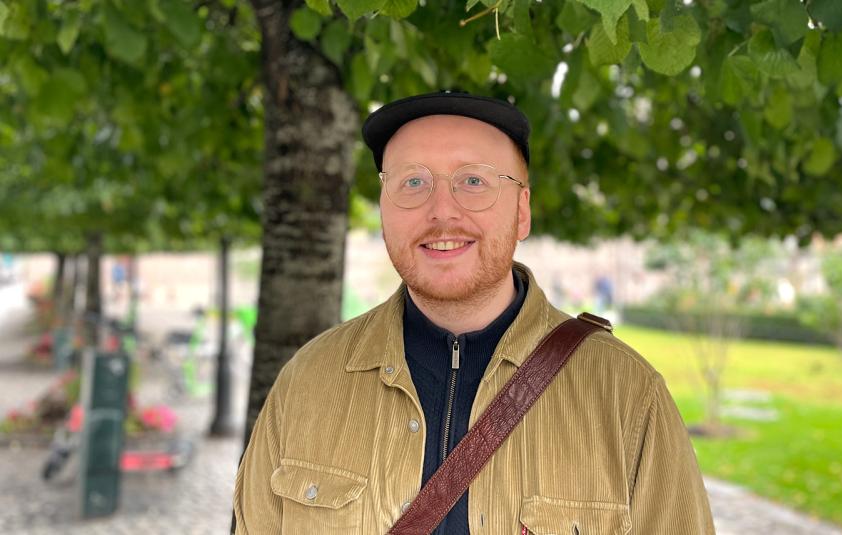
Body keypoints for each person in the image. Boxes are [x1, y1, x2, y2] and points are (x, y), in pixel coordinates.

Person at [234, 91, 714, 534]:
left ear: (522, 211)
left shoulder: (626, 395)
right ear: (384, 208)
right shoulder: (306, 381)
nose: (442, 211)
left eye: (473, 181)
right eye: (413, 181)